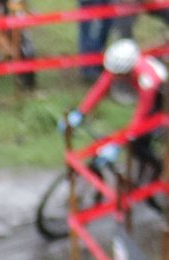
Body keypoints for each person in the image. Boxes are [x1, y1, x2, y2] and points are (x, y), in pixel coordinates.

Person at [63, 39, 167, 173]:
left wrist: (123, 140)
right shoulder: (120, 66)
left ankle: (159, 170)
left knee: (138, 144)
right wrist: (81, 112)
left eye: (118, 75)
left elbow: (143, 113)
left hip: (161, 98)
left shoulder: (147, 80)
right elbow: (101, 87)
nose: (115, 77)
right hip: (148, 97)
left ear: (127, 70)